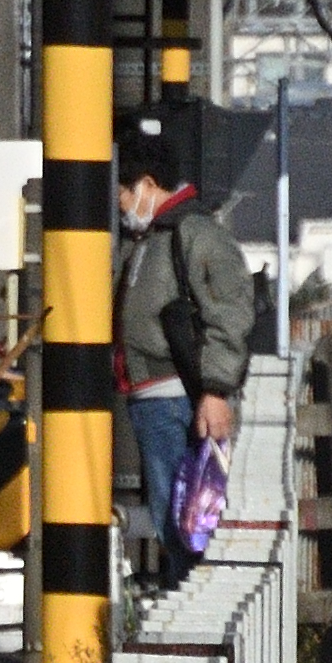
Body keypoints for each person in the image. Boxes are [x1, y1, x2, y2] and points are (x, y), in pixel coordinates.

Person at [115, 174, 252, 576]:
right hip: (156, 398)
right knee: (174, 514)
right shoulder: (152, 240)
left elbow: (229, 309)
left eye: (123, 198)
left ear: (146, 184)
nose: (123, 211)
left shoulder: (191, 233)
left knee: (188, 518)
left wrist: (215, 389)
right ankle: (182, 584)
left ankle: (189, 594)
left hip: (177, 397)